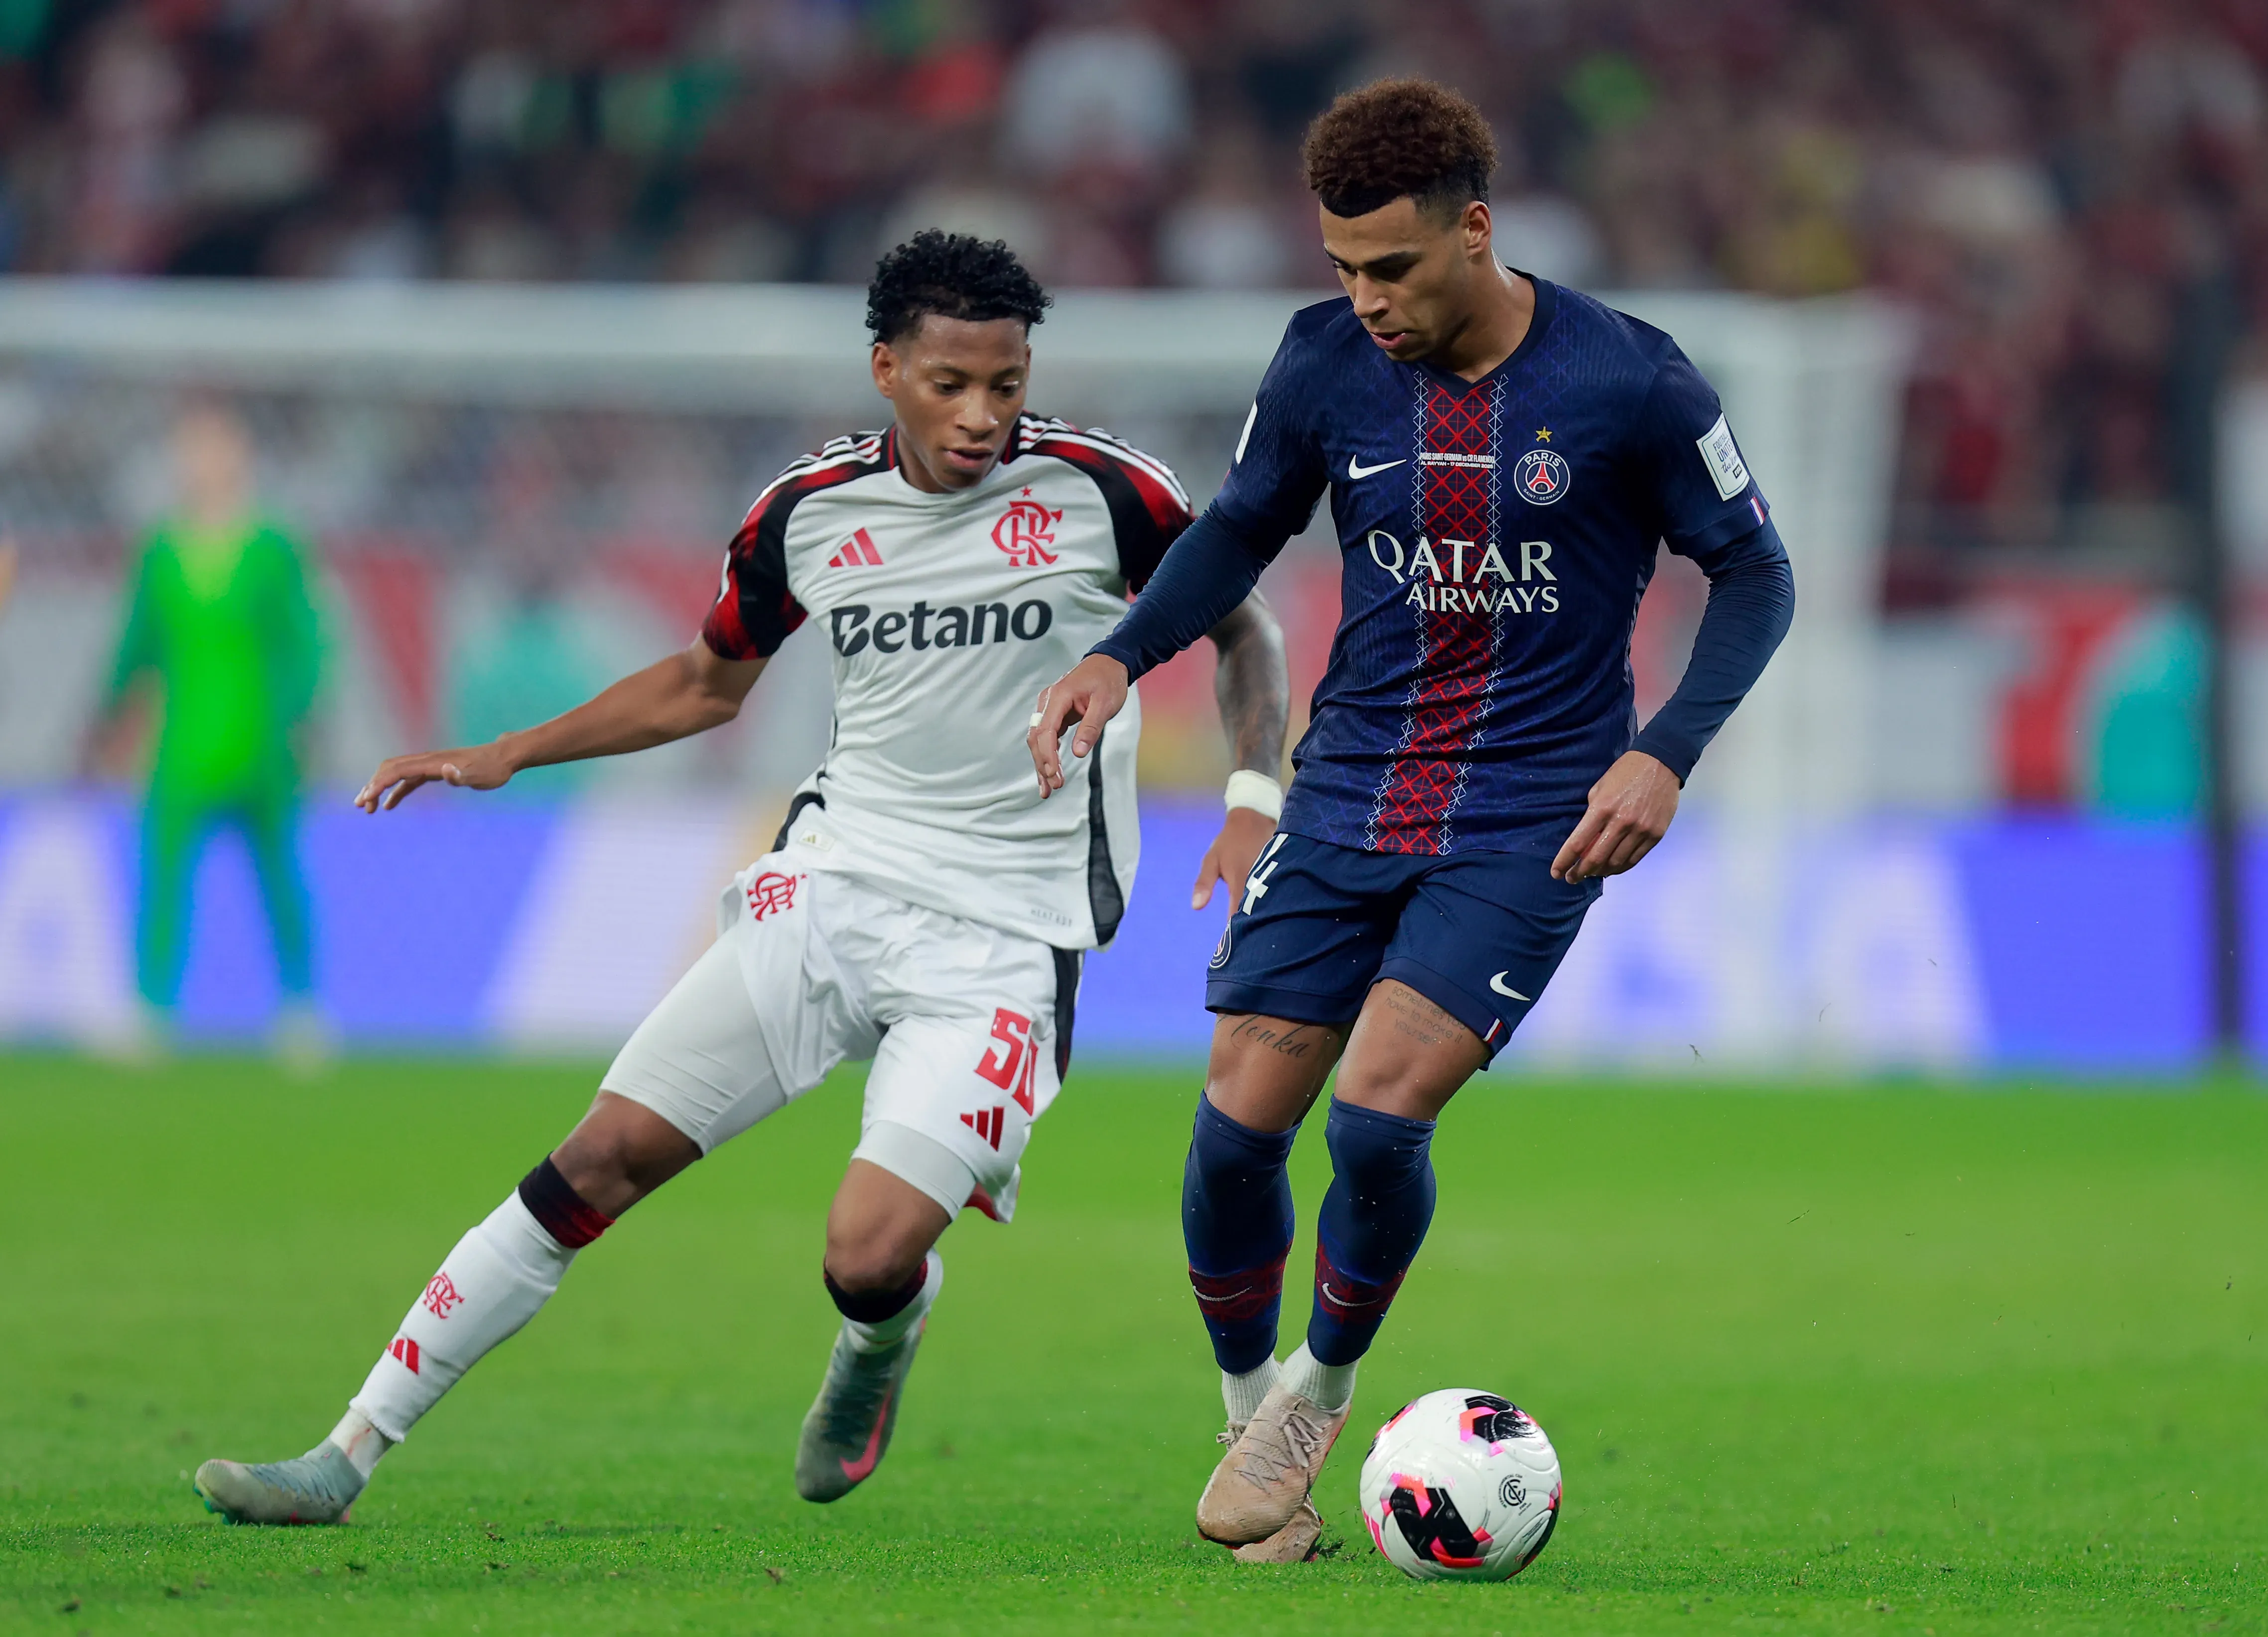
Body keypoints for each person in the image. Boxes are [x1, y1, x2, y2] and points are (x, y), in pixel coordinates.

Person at [192, 231, 1291, 1527]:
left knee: (866, 1251)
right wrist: (508, 752)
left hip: (1003, 939)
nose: (979, 415)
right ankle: (344, 1452)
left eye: (1004, 383)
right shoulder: (806, 511)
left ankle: (882, 1330)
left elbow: (1244, 627)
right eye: (947, 383)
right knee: (597, 1157)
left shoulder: (1107, 493)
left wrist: (1249, 794)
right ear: (885, 369)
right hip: (831, 887)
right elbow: (704, 685)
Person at [1027, 80, 1796, 1561]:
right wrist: (1121, 655)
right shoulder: (1321, 360)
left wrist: (1664, 752)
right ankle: (1248, 1415)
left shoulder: (1631, 379)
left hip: (1532, 809)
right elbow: (1241, 524)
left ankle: (1318, 1390)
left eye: (1390, 267)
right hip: (1350, 789)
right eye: (1342, 268)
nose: (1365, 299)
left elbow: (1754, 573)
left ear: (1475, 230)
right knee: (1234, 1133)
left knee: (1377, 1113)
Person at [89, 402, 328, 1062]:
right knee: (164, 880)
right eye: (190, 450)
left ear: (240, 457)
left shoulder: (272, 548)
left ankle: (301, 1008)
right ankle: (152, 1009)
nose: (201, 464)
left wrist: (303, 714)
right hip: (181, 749)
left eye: (214, 449)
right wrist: (108, 716)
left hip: (262, 746)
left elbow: (304, 640)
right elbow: (136, 643)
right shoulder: (161, 551)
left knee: (280, 879)